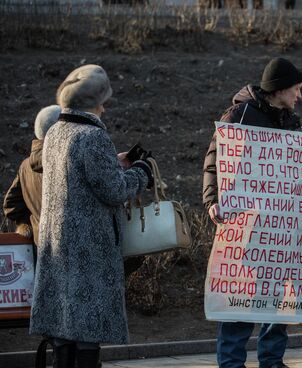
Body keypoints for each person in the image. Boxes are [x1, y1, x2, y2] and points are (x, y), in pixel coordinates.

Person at [202, 57, 302, 368]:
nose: (299, 96)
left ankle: (272, 360)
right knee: (242, 295)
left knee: (277, 295)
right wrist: (212, 200)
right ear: (278, 89)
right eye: (296, 89)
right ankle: (232, 362)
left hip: (281, 231)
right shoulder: (240, 116)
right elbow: (215, 159)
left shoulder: (288, 120)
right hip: (247, 226)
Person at [29, 64, 153, 368]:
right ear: (94, 102)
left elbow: (79, 175)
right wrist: (142, 172)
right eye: (102, 100)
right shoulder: (92, 136)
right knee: (87, 325)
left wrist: (113, 162)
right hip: (89, 245)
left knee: (65, 321)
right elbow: (112, 190)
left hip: (58, 243)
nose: (105, 107)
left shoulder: (56, 132)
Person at [3, 105, 60, 245]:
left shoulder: (26, 166)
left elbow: (11, 205)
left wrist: (35, 225)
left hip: (41, 246)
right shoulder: (66, 162)